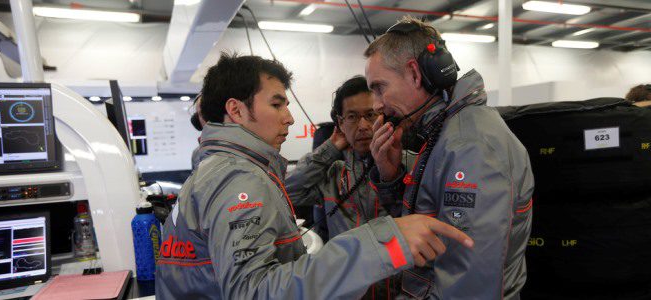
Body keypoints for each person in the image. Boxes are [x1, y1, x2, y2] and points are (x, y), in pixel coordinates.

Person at [155, 52, 474, 299]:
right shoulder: (240, 179)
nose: (290, 118)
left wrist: (390, 176)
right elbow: (253, 291)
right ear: (237, 110)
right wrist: (382, 242)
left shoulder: (218, 169)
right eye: (277, 104)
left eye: (371, 115)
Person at [364, 17, 534, 299]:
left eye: (379, 87)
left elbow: (468, 284)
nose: (376, 105)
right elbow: (426, 233)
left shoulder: (469, 146)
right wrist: (391, 176)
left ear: (415, 74)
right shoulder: (444, 135)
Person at [286, 76, 415, 298]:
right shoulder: (332, 172)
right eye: (352, 117)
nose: (363, 126)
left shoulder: (412, 165)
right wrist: (331, 147)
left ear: (384, 117)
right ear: (340, 123)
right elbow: (288, 193)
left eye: (370, 115)